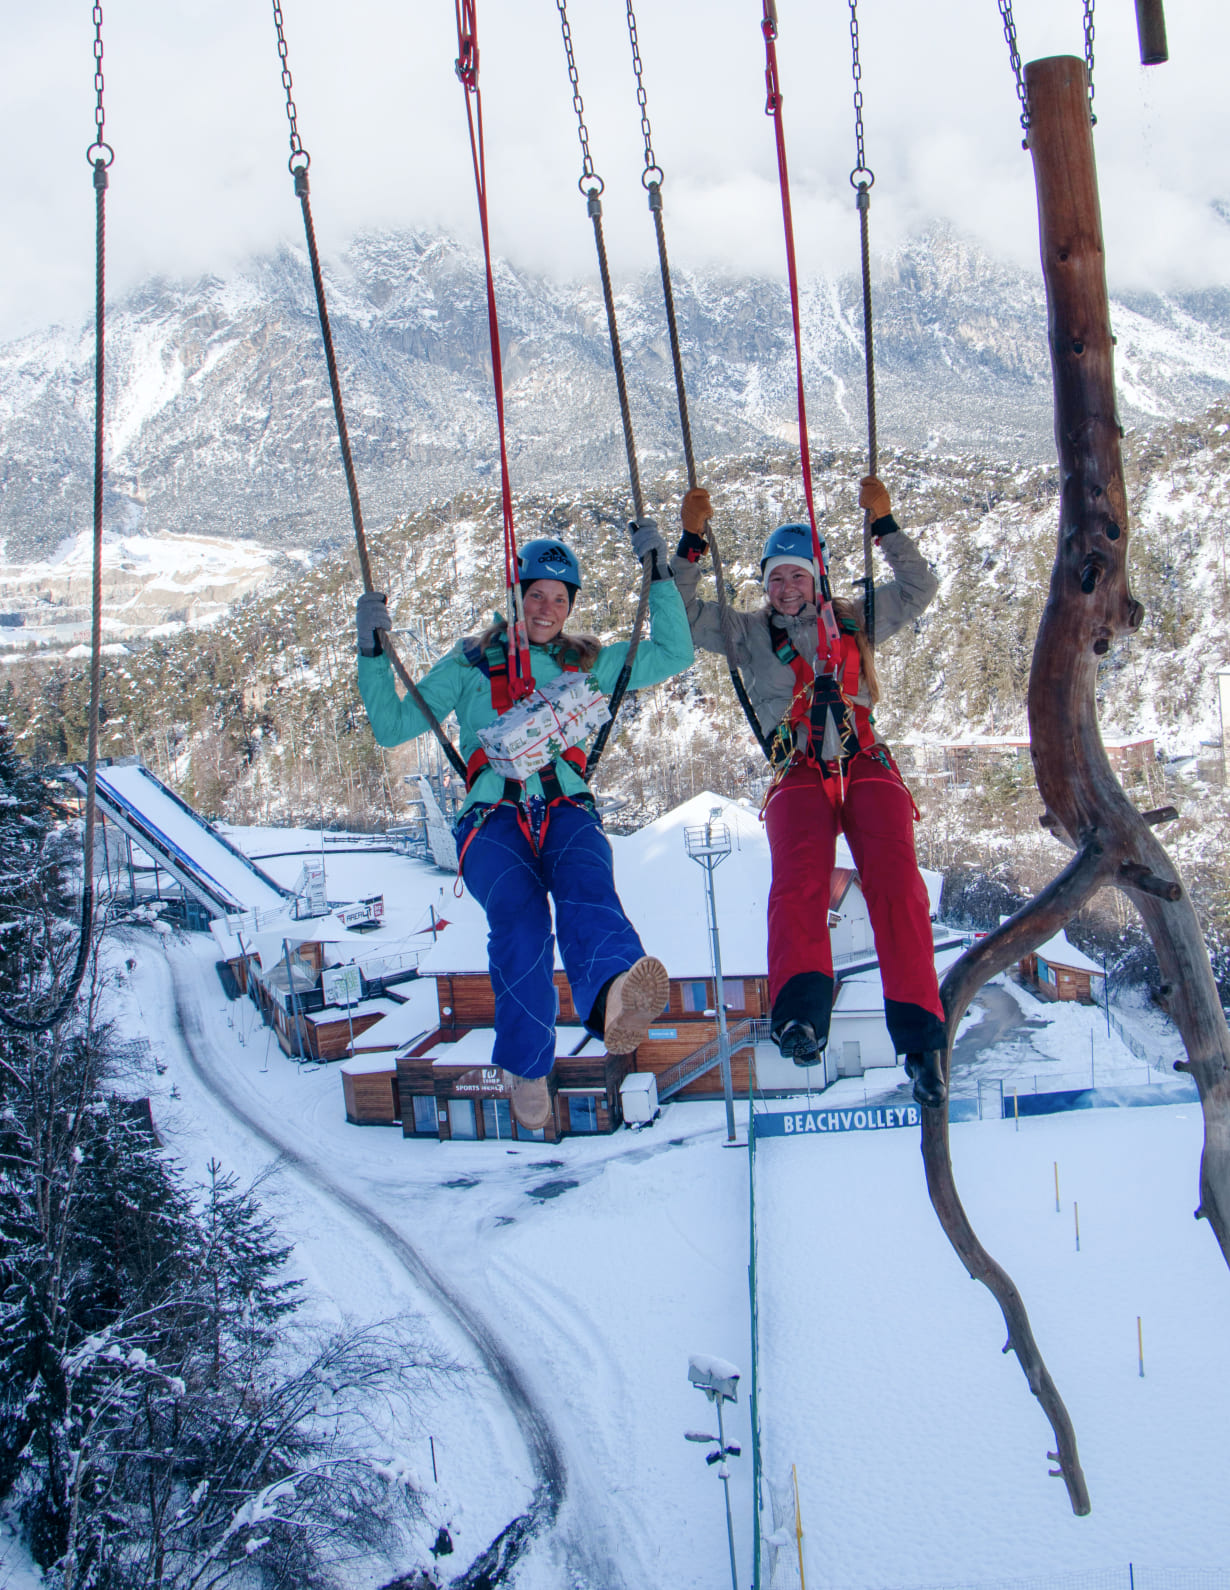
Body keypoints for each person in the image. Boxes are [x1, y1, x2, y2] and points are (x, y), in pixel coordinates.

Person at [355, 519, 693, 1131]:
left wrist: (661, 579)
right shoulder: (468, 663)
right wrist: (373, 653)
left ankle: (617, 990)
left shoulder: (585, 662)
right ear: (514, 594)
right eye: (537, 594)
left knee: (588, 893)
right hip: (493, 818)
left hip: (564, 806)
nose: (548, 609)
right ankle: (528, 1063)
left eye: (560, 599)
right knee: (521, 923)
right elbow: (393, 726)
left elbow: (674, 654)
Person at [672, 476, 948, 1107]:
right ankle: (801, 1016)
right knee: (798, 878)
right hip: (798, 769)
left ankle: (919, 1037)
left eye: (797, 577)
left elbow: (919, 587)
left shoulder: (856, 619)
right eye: (776, 579)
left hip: (865, 760)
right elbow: (683, 619)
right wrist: (690, 543)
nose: (786, 588)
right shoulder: (746, 634)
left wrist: (885, 525)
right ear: (765, 586)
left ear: (817, 580)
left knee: (896, 882)